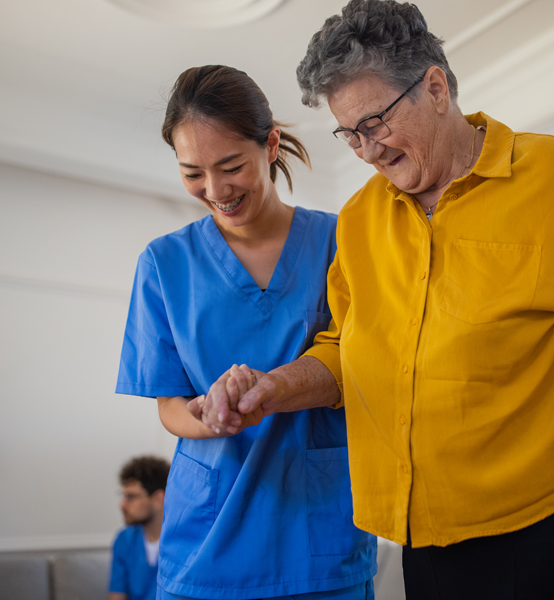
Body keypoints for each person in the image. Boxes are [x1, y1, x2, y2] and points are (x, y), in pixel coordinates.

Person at [199, 2, 554, 596]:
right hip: (427, 540)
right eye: (348, 134)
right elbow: (348, 350)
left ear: (435, 87)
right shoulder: (362, 220)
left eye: (374, 123)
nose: (365, 151)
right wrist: (274, 387)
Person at [115, 65, 376, 600]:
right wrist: (210, 415)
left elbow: (366, 365)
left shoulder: (343, 240)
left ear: (271, 144)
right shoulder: (164, 263)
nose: (215, 190)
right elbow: (168, 405)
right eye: (192, 172)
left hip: (318, 535)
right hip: (206, 542)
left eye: (231, 165)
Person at [110, 456, 171, 600]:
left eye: (131, 497)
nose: (122, 505)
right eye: (124, 496)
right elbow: (116, 596)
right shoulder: (124, 540)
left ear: (158, 499)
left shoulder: (183, 543)